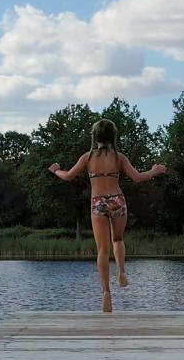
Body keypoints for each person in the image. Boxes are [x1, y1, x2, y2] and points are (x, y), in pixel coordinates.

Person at [48, 118, 166, 312]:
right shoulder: (120, 157)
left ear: (95, 137)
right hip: (117, 200)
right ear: (113, 137)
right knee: (117, 240)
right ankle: (121, 271)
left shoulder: (87, 157)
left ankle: (106, 294)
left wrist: (56, 170)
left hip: (98, 202)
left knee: (102, 250)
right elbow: (137, 178)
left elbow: (68, 176)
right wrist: (154, 171)